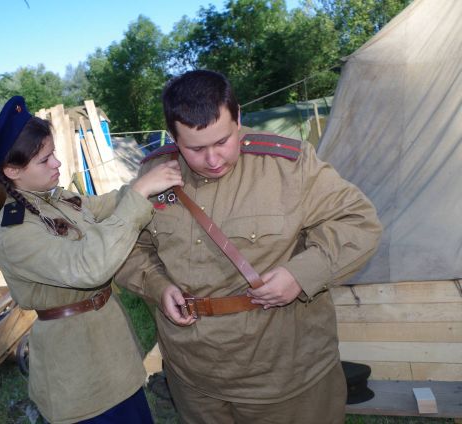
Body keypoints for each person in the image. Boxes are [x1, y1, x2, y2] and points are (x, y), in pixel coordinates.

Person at [115, 70, 382, 424]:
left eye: (223, 141)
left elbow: (359, 222)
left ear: (238, 117)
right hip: (194, 377)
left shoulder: (288, 166)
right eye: (196, 149)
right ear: (174, 138)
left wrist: (300, 275)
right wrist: (157, 285)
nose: (213, 159)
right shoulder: (154, 174)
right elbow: (128, 245)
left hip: (284, 375)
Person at [0, 96, 184, 424]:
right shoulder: (16, 230)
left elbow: (107, 205)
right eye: (45, 159)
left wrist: (149, 182)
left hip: (113, 356)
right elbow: (89, 267)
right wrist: (140, 192)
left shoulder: (57, 200)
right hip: (78, 372)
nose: (57, 163)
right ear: (12, 170)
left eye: (54, 153)